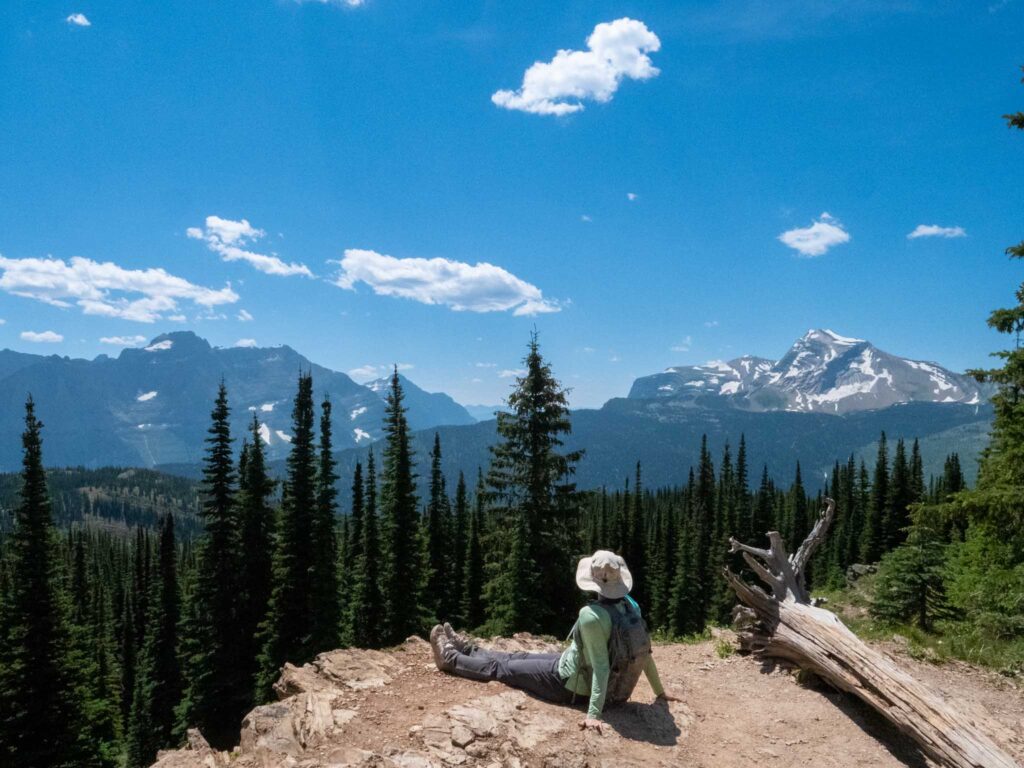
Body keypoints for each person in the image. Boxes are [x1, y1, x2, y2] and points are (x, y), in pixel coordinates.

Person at [429, 550, 681, 733]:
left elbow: (602, 667)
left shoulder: (592, 616)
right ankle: (470, 649)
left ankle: (450, 659)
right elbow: (644, 653)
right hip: (574, 668)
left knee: (503, 669)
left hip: (569, 685)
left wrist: (594, 714)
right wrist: (660, 692)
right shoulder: (630, 607)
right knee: (517, 658)